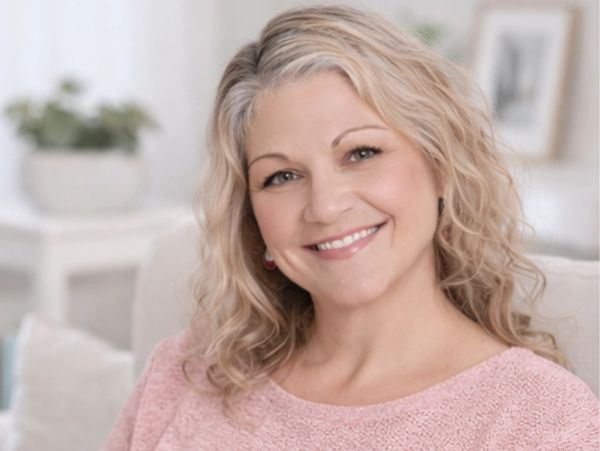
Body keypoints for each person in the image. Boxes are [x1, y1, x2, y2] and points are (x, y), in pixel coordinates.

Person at [104, 5, 599, 450]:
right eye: (282, 176)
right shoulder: (187, 375)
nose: (324, 205)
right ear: (252, 219)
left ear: (441, 166)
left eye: (361, 153)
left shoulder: (541, 421)